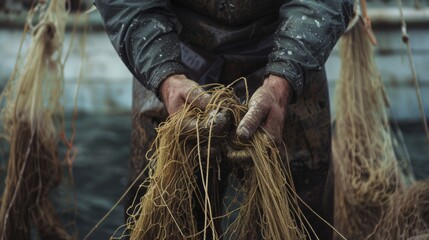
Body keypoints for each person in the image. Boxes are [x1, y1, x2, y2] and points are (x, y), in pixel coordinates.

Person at [94, 0, 354, 238]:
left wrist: (283, 80)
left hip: (287, 56)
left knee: (299, 218)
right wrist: (165, 77)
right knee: (164, 213)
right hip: (172, 59)